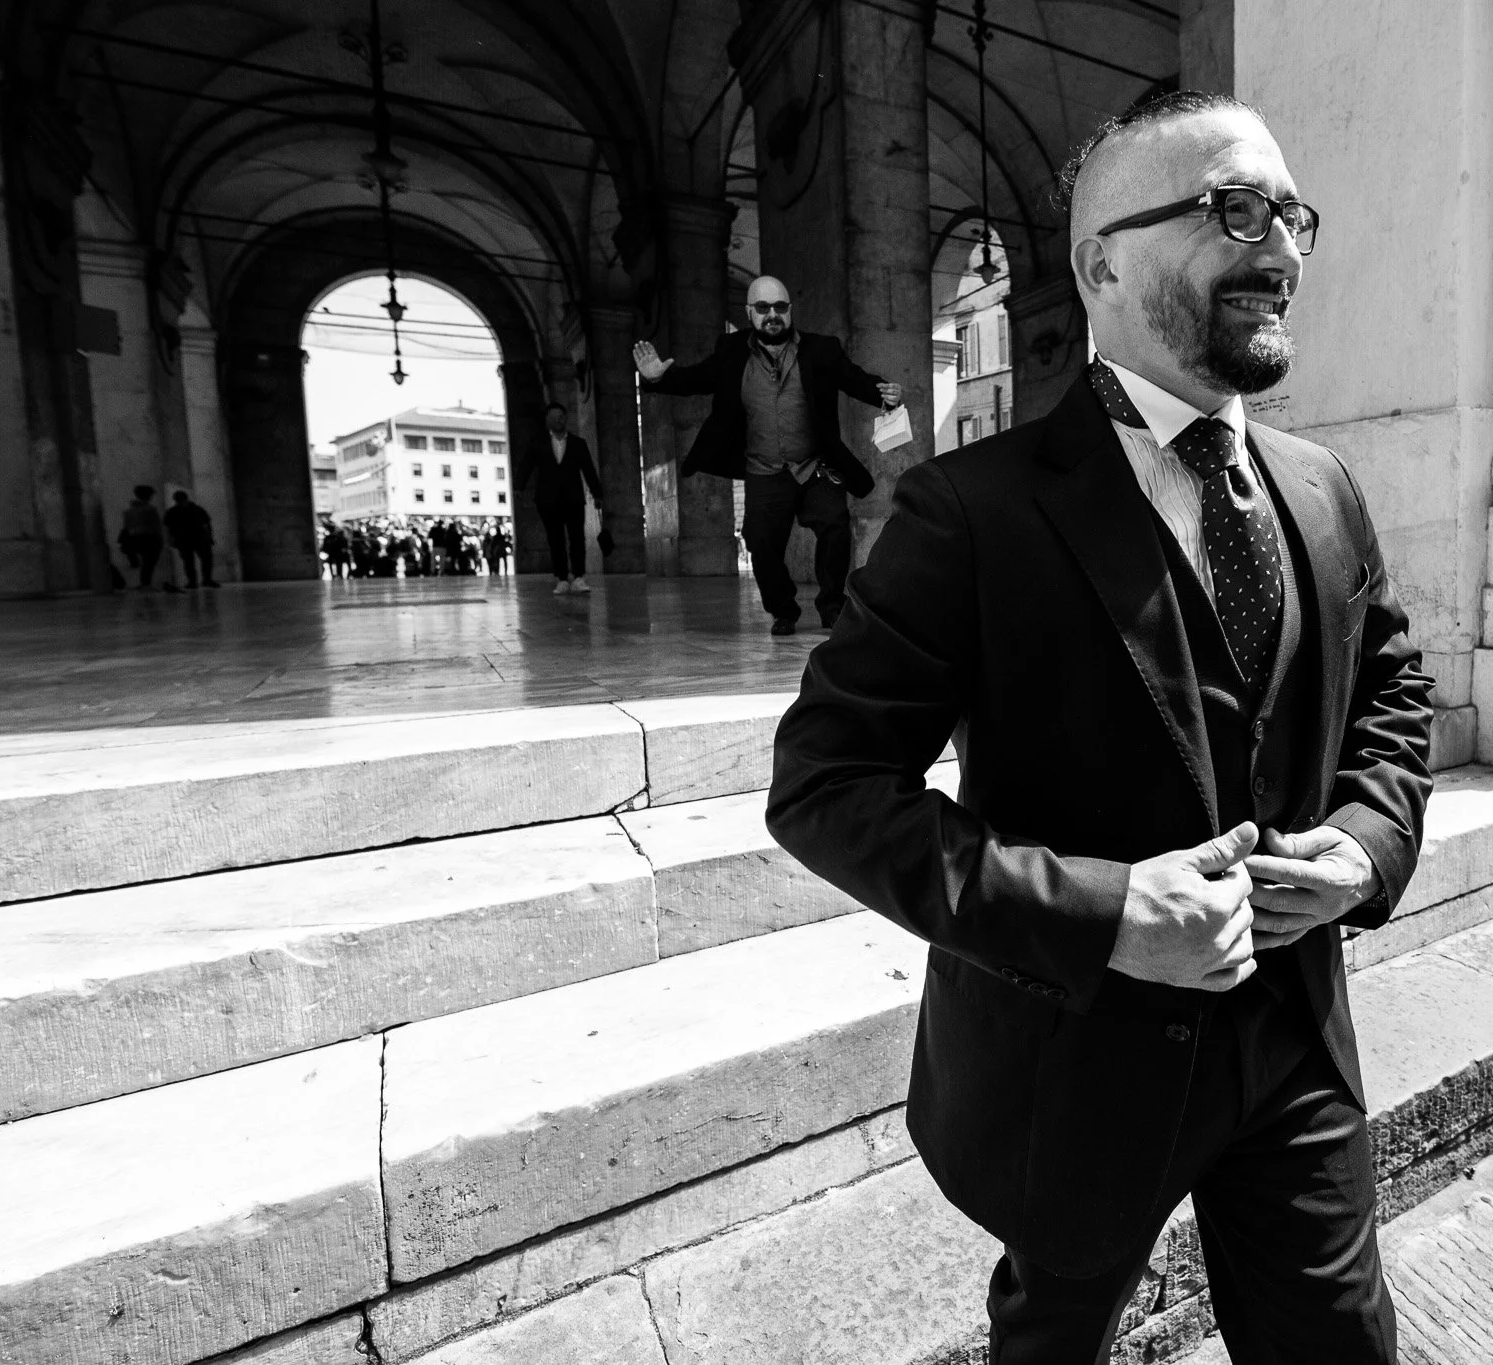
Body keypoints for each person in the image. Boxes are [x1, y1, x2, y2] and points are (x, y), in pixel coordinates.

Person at [766, 92, 1432, 1363]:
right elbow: (825, 788)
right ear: (1099, 264)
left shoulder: (1321, 485)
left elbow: (1390, 699)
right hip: (1071, 1067)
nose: (1278, 245)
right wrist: (1105, 913)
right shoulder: (969, 513)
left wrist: (1363, 845)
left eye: (1289, 213)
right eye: (1231, 209)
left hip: (1291, 1044)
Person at [633, 275, 903, 635]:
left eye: (779, 307)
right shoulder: (730, 352)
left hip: (815, 467)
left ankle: (832, 606)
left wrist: (885, 394)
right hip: (763, 469)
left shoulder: (821, 349)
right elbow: (696, 379)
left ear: (790, 311)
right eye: (762, 308)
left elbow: (853, 378)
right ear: (749, 312)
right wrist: (657, 379)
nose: (772, 314)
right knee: (760, 541)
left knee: (836, 525)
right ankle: (783, 610)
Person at [528, 401, 603, 595]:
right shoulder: (538, 442)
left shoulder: (578, 443)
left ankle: (578, 577)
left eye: (561, 417)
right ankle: (561, 578)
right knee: (556, 540)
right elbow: (526, 466)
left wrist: (597, 493)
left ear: (566, 419)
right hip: (548, 500)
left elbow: (589, 469)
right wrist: (519, 488)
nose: (558, 421)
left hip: (573, 499)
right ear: (547, 421)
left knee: (577, 538)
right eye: (553, 418)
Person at [163, 490, 219, 589]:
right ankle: (203, 580)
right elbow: (207, 524)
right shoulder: (196, 509)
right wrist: (209, 537)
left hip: (188, 539)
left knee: (193, 561)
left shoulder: (173, 511)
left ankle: (197, 581)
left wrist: (171, 539)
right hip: (194, 538)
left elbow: (169, 528)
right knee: (198, 560)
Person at [118, 485, 164, 589]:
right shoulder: (150, 509)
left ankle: (145, 583)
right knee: (149, 562)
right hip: (151, 538)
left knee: (146, 562)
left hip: (136, 538)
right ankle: (146, 583)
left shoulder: (128, 511)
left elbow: (127, 527)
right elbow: (155, 526)